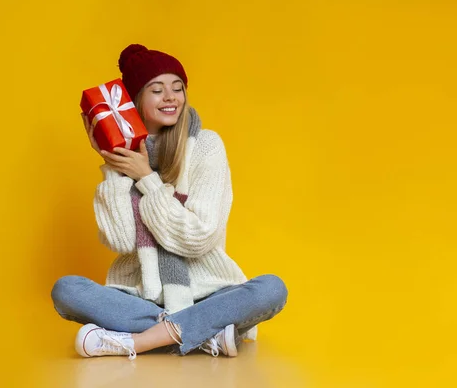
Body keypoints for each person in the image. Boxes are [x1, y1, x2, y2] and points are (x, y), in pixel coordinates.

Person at [51, 44, 288, 360]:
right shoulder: (127, 157)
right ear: (137, 99)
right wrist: (111, 163)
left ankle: (138, 341)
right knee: (67, 291)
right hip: (143, 296)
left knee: (271, 290)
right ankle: (204, 333)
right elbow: (120, 240)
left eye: (178, 88)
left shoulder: (206, 146)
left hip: (208, 292)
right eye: (157, 90)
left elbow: (197, 237)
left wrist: (147, 178)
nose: (171, 97)